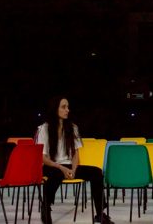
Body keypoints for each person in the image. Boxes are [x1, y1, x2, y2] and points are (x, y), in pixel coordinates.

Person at [36, 96, 114, 224]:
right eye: (63, 107)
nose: (67, 110)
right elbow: (43, 158)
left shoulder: (73, 128)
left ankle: (100, 214)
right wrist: (61, 168)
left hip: (69, 166)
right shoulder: (44, 129)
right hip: (52, 166)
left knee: (96, 172)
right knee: (56, 174)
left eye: (67, 107)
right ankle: (46, 209)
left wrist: (73, 169)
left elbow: (75, 154)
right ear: (55, 109)